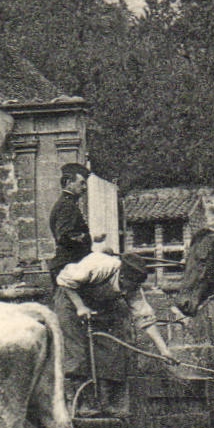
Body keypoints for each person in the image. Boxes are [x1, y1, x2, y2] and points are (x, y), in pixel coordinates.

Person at [54, 249, 190, 414]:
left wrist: (164, 350)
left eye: (130, 290)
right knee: (76, 352)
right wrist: (80, 306)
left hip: (99, 304)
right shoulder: (99, 266)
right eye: (124, 287)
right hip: (70, 300)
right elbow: (64, 281)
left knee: (112, 348)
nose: (126, 293)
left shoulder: (133, 287)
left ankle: (106, 403)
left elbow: (144, 317)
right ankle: (80, 405)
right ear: (121, 276)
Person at [45, 163, 93, 281]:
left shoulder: (67, 204)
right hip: (69, 266)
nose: (85, 188)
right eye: (81, 183)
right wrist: (86, 237)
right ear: (68, 183)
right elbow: (65, 236)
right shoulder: (67, 206)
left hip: (69, 264)